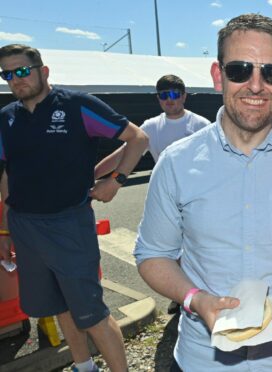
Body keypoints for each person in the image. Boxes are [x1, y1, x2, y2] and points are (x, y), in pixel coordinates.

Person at [133, 14, 272, 371]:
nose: (255, 86)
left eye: (270, 73)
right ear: (217, 75)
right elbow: (152, 255)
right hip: (201, 360)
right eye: (240, 70)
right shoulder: (177, 162)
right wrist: (194, 299)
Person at [0, 44, 148, 372]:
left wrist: (116, 181)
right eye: (7, 74)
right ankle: (84, 367)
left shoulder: (76, 106)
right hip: (25, 227)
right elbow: (9, 173)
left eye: (22, 71)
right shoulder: (7, 118)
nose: (16, 79)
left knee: (91, 313)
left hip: (68, 224)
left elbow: (137, 139)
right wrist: (5, 229)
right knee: (59, 306)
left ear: (43, 71)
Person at [94, 74, 211, 315]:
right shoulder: (150, 127)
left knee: (196, 248)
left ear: (184, 96)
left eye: (175, 94)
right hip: (166, 198)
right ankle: (181, 296)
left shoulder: (201, 125)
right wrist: (92, 175)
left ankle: (201, 295)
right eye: (164, 95)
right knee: (170, 249)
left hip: (196, 197)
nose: (170, 100)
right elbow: (121, 155)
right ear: (158, 98)